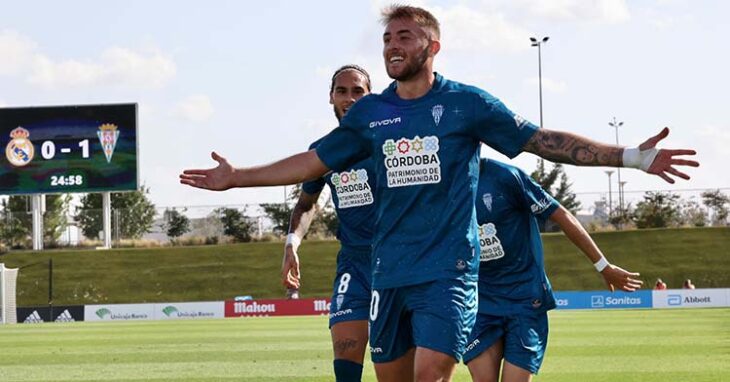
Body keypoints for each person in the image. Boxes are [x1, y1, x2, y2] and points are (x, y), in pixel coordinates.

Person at [180, 5, 698, 381]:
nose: (392, 47)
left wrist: (631, 156)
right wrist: (237, 177)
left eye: (404, 37)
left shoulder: (467, 105)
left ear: (432, 46)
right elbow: (313, 161)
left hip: (448, 271)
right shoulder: (370, 115)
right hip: (388, 272)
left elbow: (544, 141)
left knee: (432, 376)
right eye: (386, 40)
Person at [463, 158, 642, 382]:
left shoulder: (508, 177)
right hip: (481, 301)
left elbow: (563, 216)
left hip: (525, 299)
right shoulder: (444, 184)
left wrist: (603, 266)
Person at [282, 65, 375, 382]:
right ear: (331, 97)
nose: (350, 98)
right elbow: (306, 205)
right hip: (354, 263)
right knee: (345, 353)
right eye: (342, 91)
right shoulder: (322, 151)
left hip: (398, 261)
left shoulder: (386, 140)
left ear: (369, 95)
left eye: (358, 91)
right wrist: (292, 244)